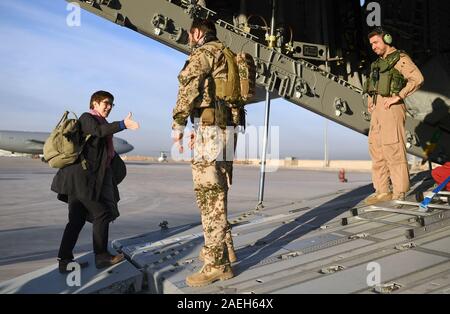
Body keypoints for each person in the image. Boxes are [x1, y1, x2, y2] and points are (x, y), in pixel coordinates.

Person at [171, 18, 240, 287]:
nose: (189, 39)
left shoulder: (203, 53)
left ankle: (216, 265)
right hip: (226, 130)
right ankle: (226, 249)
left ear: (197, 32)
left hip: (211, 131)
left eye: (190, 34)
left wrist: (178, 123)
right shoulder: (227, 53)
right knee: (218, 191)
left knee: (209, 197)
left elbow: (189, 88)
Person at [52, 91, 139, 273]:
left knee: (76, 220)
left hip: (81, 180)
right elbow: (99, 132)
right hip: (79, 179)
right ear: (95, 103)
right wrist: (123, 124)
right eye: (106, 103)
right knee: (102, 214)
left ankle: (65, 261)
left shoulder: (103, 123)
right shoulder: (87, 118)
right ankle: (101, 256)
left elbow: (101, 152)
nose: (108, 107)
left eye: (111, 104)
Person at [364, 27, 424, 205]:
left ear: (387, 39)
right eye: (371, 44)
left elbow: (417, 78)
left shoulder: (399, 58)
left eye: (376, 42)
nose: (373, 47)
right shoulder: (378, 63)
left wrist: (399, 96)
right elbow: (373, 84)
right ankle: (382, 190)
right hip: (378, 109)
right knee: (377, 149)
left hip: (392, 108)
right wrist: (370, 100)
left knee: (393, 148)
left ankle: (399, 191)